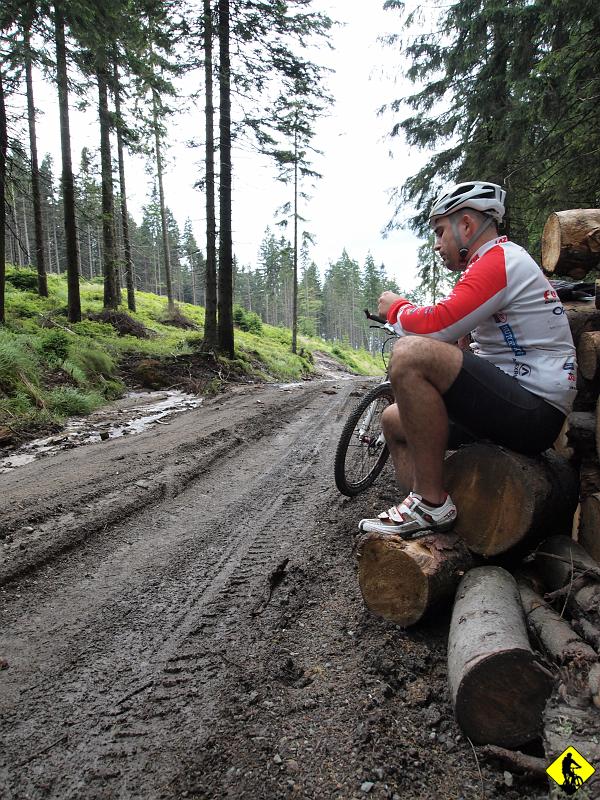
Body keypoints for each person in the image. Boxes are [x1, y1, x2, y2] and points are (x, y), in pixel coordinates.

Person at [359, 181, 577, 537]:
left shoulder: (501, 260)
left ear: (466, 226)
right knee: (394, 420)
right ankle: (427, 514)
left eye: (440, 232)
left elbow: (436, 326)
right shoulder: (486, 266)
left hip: (534, 409)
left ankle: (431, 502)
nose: (436, 244)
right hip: (511, 398)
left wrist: (395, 308)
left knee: (410, 353)